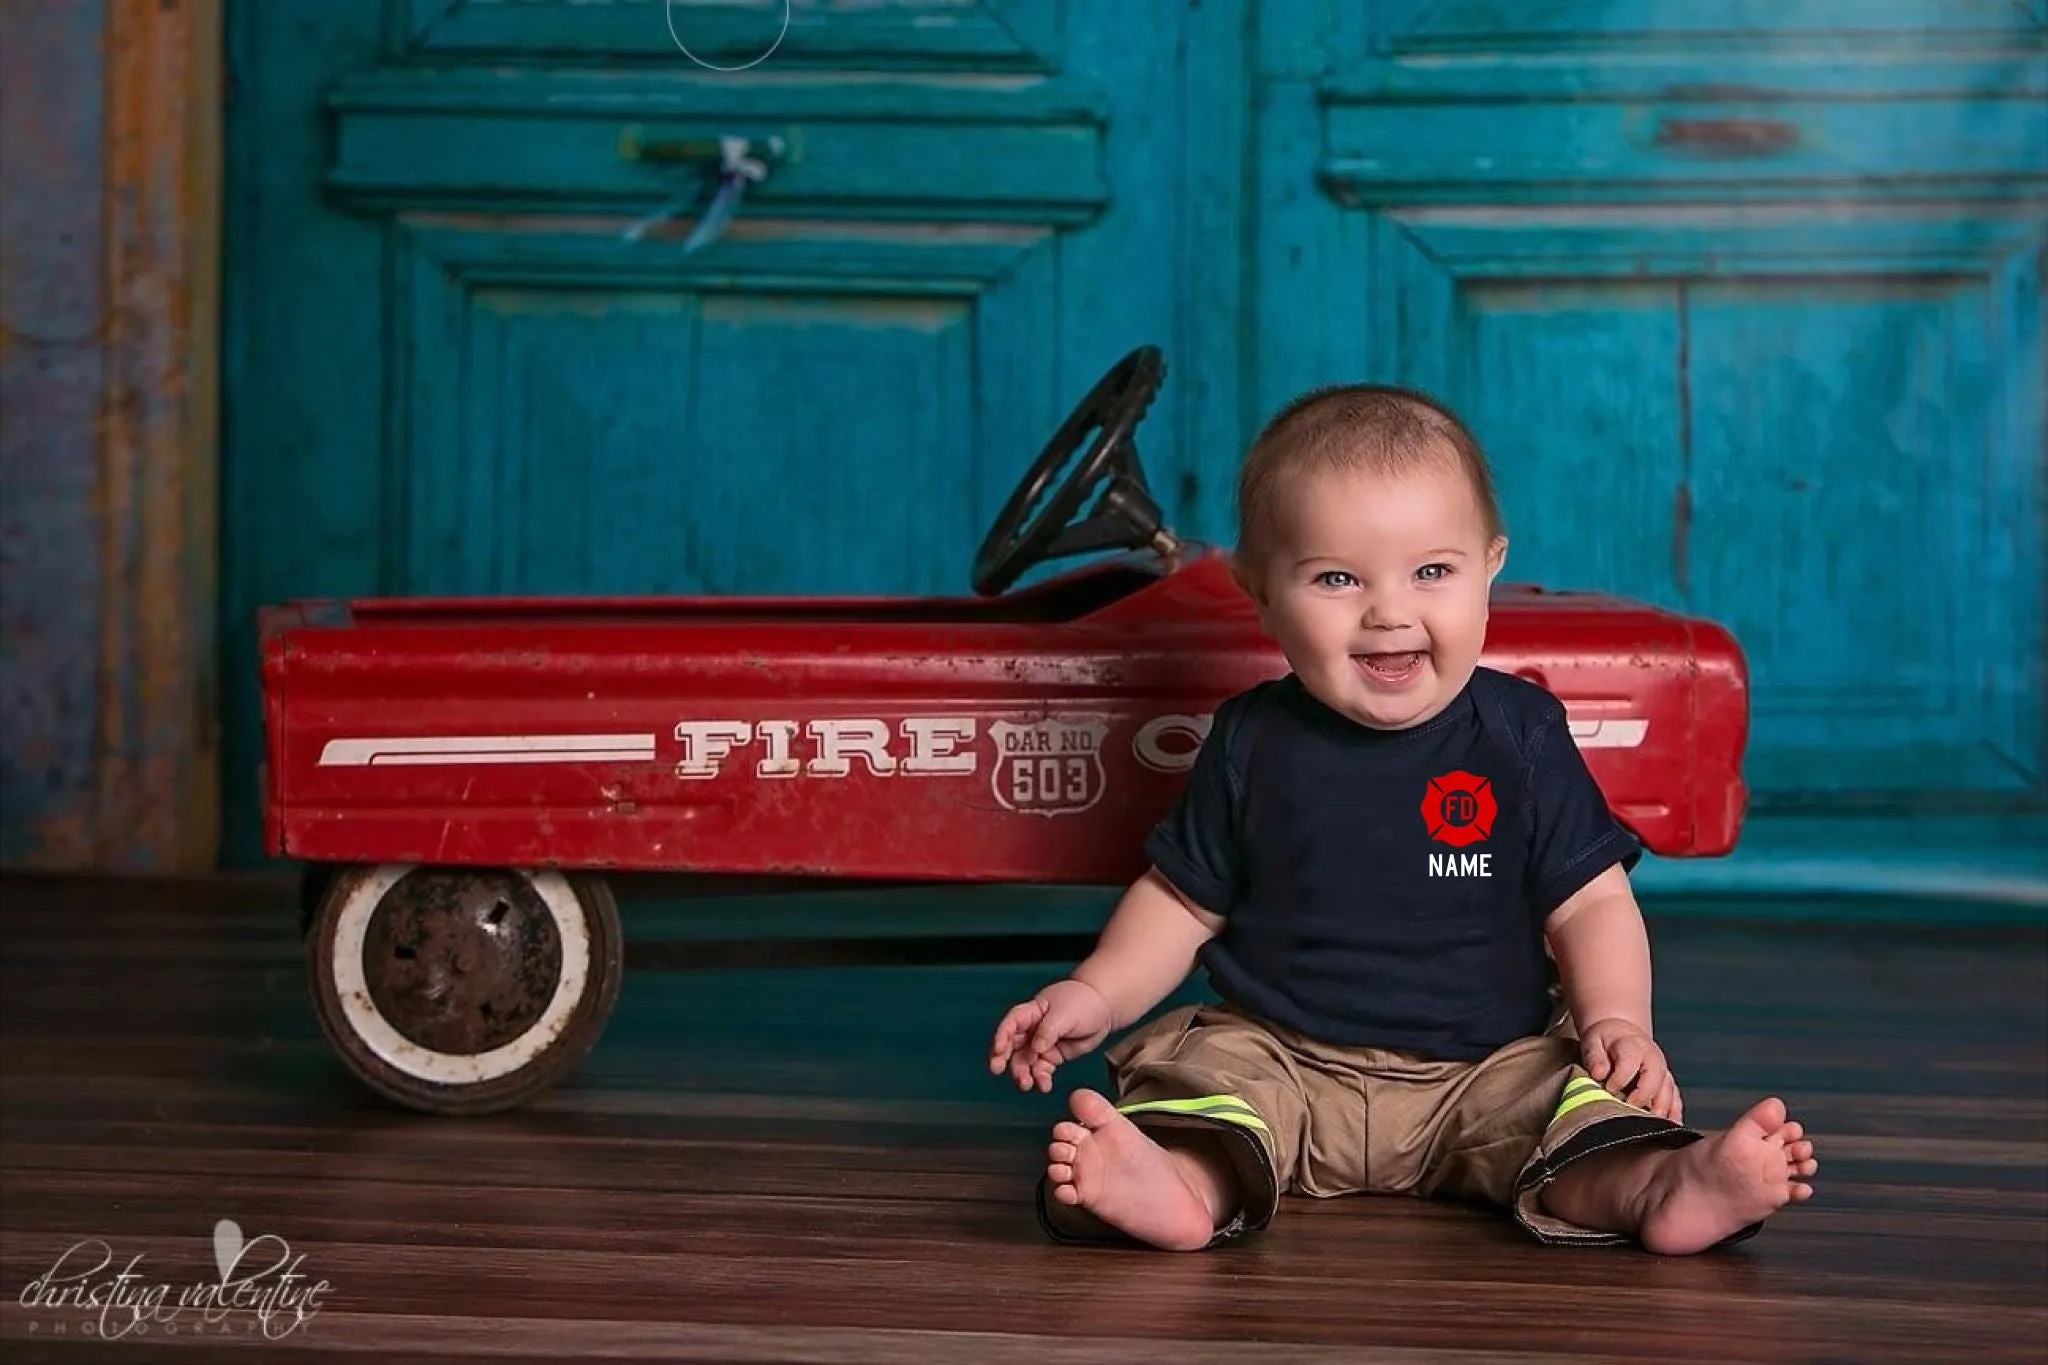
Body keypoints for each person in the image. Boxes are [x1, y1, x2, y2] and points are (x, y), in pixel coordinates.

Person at [987, 384, 1817, 1254]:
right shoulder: (1250, 740)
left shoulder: (1520, 736)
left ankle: (1661, 1185)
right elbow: (1183, 901)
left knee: (1575, 1103)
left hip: (1485, 1069)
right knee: (1205, 1082)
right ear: (1259, 593)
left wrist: (1618, 1020)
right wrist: (1095, 989)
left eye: (1432, 571)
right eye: (1337, 577)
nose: (1389, 610)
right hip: (1286, 1057)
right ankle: (1181, 1185)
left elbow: (1590, 903)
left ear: (1490, 567)